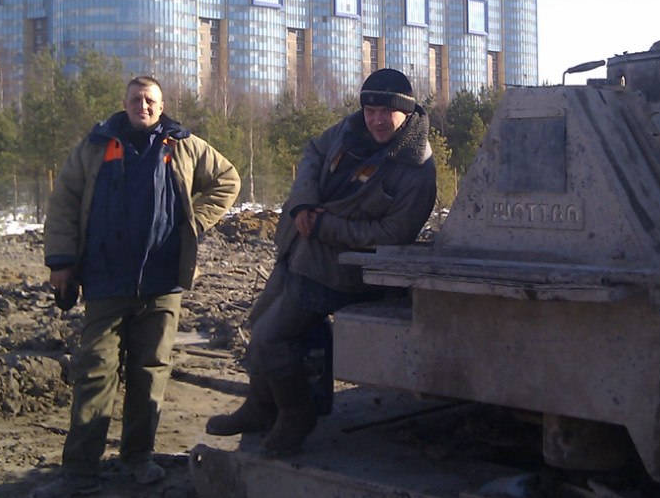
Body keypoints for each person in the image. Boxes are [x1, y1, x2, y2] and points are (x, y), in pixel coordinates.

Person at [205, 68, 437, 457]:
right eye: (371, 110)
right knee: (260, 322)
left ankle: (297, 416)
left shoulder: (416, 169)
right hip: (298, 248)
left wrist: (324, 227)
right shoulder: (348, 130)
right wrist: (302, 203)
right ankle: (260, 406)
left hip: (340, 272)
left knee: (272, 337)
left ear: (408, 112)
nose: (377, 120)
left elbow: (393, 234)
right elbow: (313, 153)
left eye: (388, 112)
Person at [33, 76, 240, 498]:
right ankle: (79, 471)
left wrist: (192, 222)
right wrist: (61, 262)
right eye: (135, 99)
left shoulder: (181, 145)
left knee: (150, 372)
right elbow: (64, 203)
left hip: (162, 283)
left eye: (150, 100)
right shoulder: (96, 145)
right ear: (124, 104)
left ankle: (138, 457)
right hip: (106, 279)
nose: (142, 106)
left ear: (161, 107)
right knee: (95, 373)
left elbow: (227, 179)